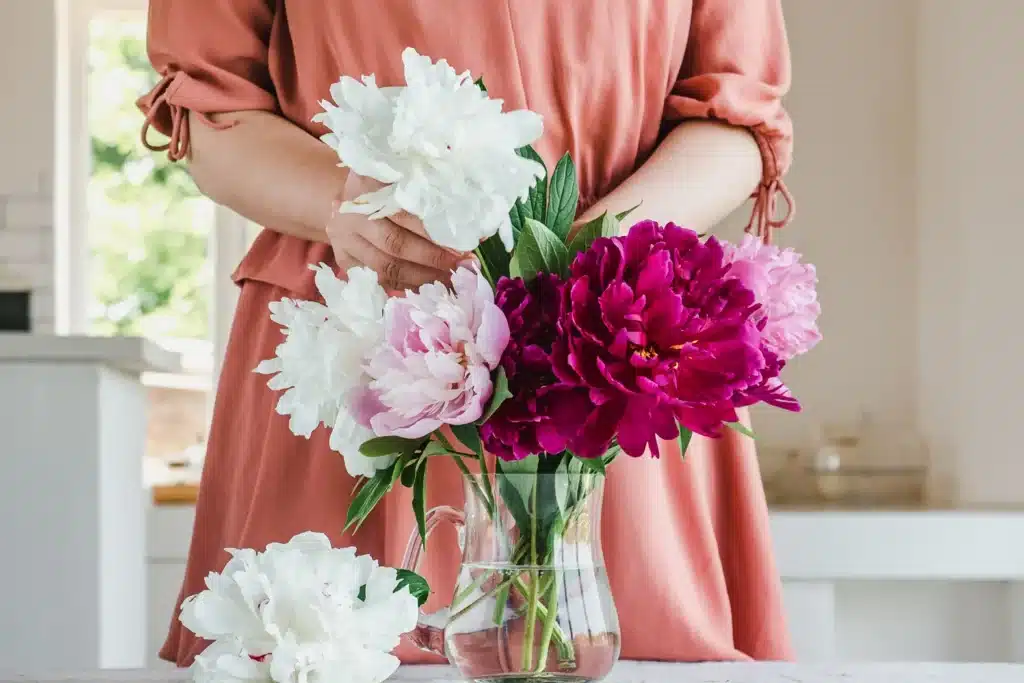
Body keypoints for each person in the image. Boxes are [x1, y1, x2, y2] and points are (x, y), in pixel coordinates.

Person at [139, 0, 796, 666]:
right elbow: (210, 111)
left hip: (620, 335)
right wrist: (343, 204)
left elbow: (737, 119)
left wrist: (595, 261)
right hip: (349, 336)